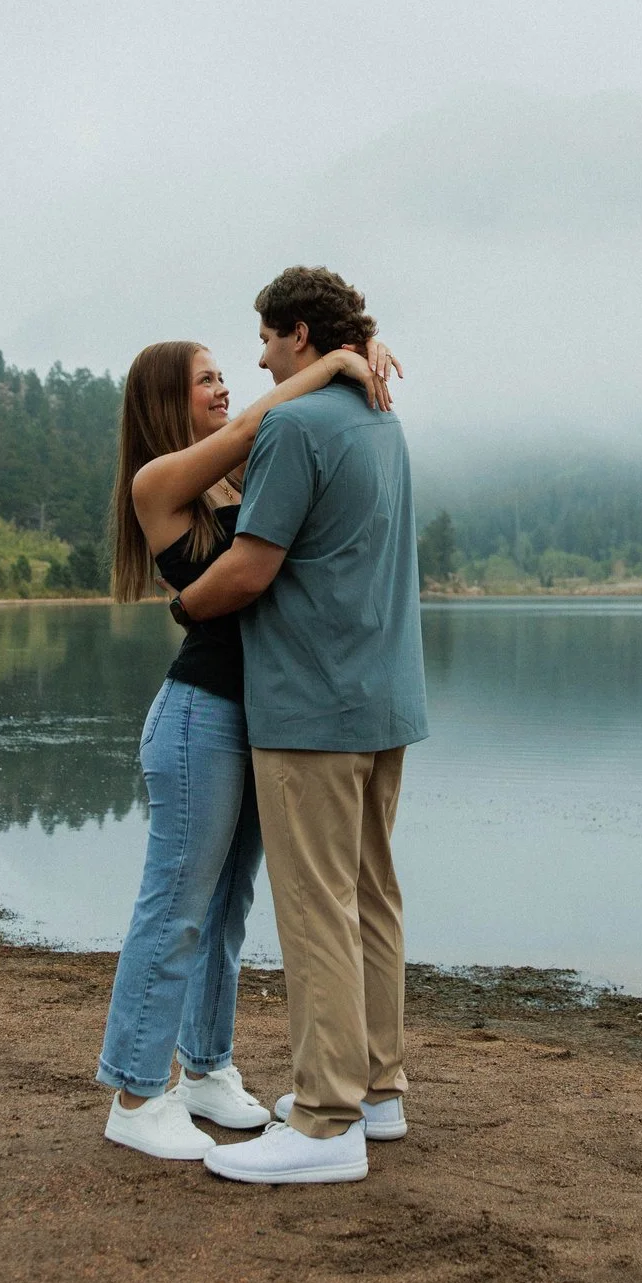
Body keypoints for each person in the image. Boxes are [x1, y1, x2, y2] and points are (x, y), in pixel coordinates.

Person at [94, 332, 398, 1160]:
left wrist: (350, 346)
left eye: (228, 375)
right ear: (166, 400)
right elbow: (251, 432)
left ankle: (205, 1068)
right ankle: (132, 1089)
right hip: (200, 716)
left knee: (226, 908)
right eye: (206, 381)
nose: (224, 389)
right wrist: (331, 363)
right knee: (176, 906)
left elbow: (272, 445)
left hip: (261, 715)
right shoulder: (159, 480)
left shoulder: (233, 475)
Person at [168, 266, 429, 1187]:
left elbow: (250, 567)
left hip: (313, 707)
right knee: (370, 894)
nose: (262, 358)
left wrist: (182, 606)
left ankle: (324, 1122)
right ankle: (378, 1089)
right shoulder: (381, 420)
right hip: (387, 698)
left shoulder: (295, 424)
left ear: (302, 336)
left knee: (316, 904)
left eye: (269, 341)